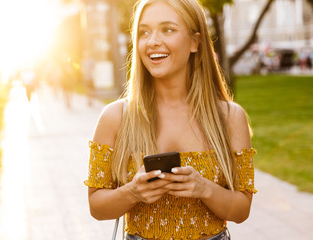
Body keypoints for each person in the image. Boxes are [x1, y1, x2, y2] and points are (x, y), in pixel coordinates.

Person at [84, 0, 257, 239]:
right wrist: (133, 192)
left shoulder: (229, 117)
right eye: (144, 32)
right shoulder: (116, 117)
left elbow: (241, 210)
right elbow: (96, 206)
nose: (153, 41)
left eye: (168, 29)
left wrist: (204, 188)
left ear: (195, 42)